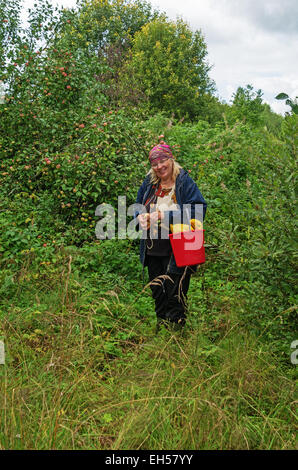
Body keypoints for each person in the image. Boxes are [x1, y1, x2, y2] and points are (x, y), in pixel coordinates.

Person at [135, 140, 207, 332]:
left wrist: (162, 215)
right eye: (155, 164)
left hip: (179, 247)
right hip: (153, 248)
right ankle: (161, 330)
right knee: (158, 291)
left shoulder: (184, 181)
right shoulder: (149, 182)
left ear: (171, 159)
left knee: (176, 293)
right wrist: (140, 217)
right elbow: (138, 206)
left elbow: (198, 210)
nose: (159, 167)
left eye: (162, 161)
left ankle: (176, 336)